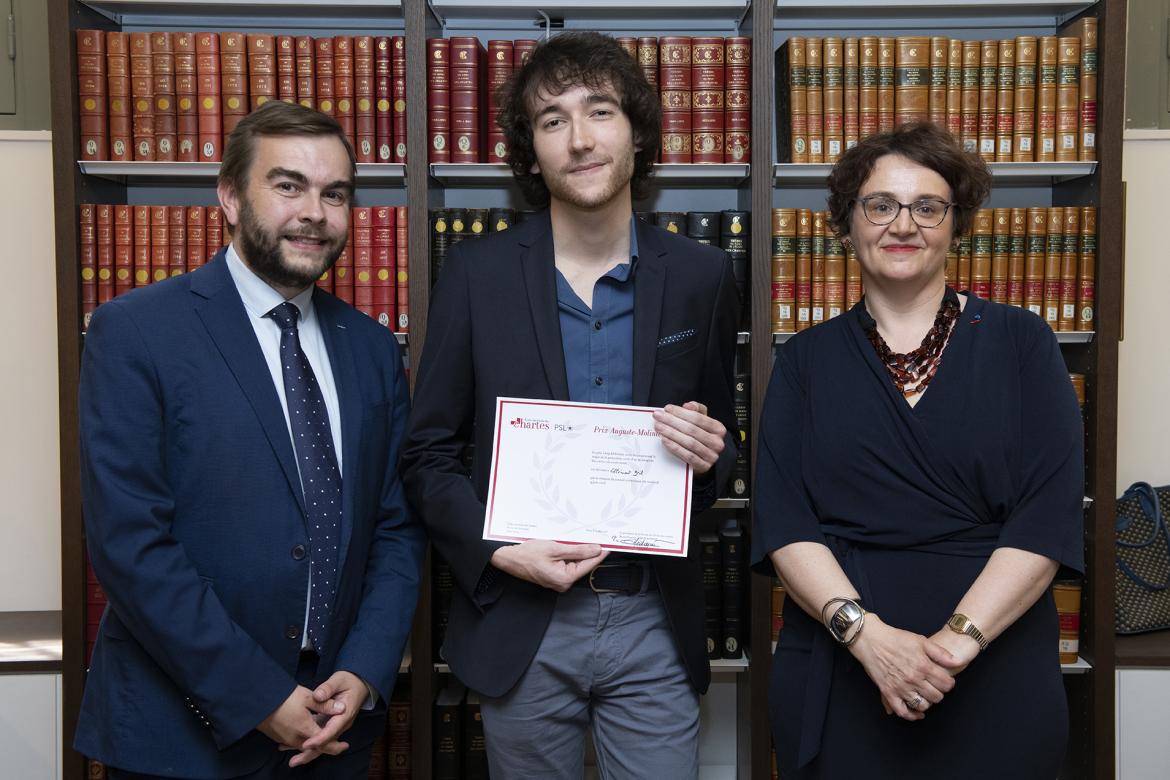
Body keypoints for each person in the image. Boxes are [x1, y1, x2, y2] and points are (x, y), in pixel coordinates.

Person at [400, 31, 739, 778]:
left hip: (653, 614)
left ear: (638, 131)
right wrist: (497, 553)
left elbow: (723, 449)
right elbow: (426, 453)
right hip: (523, 621)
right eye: (552, 120)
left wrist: (706, 455)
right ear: (530, 152)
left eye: (600, 112)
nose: (580, 140)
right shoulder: (474, 275)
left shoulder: (702, 275)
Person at [75, 100, 425, 778]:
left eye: (335, 194)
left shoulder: (374, 350)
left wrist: (366, 665)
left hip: (334, 730)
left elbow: (397, 528)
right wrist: (257, 695)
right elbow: (130, 546)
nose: (314, 212)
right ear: (231, 197)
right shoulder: (136, 331)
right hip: (181, 736)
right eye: (288, 185)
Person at [751, 121, 1084, 779]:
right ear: (846, 225)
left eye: (927, 206)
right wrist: (870, 641)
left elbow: (1045, 520)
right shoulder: (805, 361)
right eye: (880, 205)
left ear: (956, 226)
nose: (903, 224)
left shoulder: (1024, 343)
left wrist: (950, 650)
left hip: (996, 669)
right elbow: (785, 523)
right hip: (842, 665)